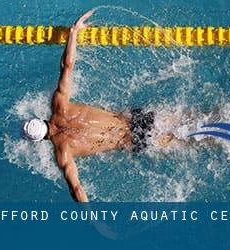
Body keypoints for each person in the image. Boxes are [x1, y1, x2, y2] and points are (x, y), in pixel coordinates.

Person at [22, 11, 174, 202]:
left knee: (192, 141)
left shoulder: (63, 152)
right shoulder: (59, 105)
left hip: (135, 140)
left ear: (40, 140)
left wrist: (93, 221)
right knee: (190, 118)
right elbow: (67, 66)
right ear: (40, 119)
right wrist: (73, 33)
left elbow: (76, 189)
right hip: (136, 118)